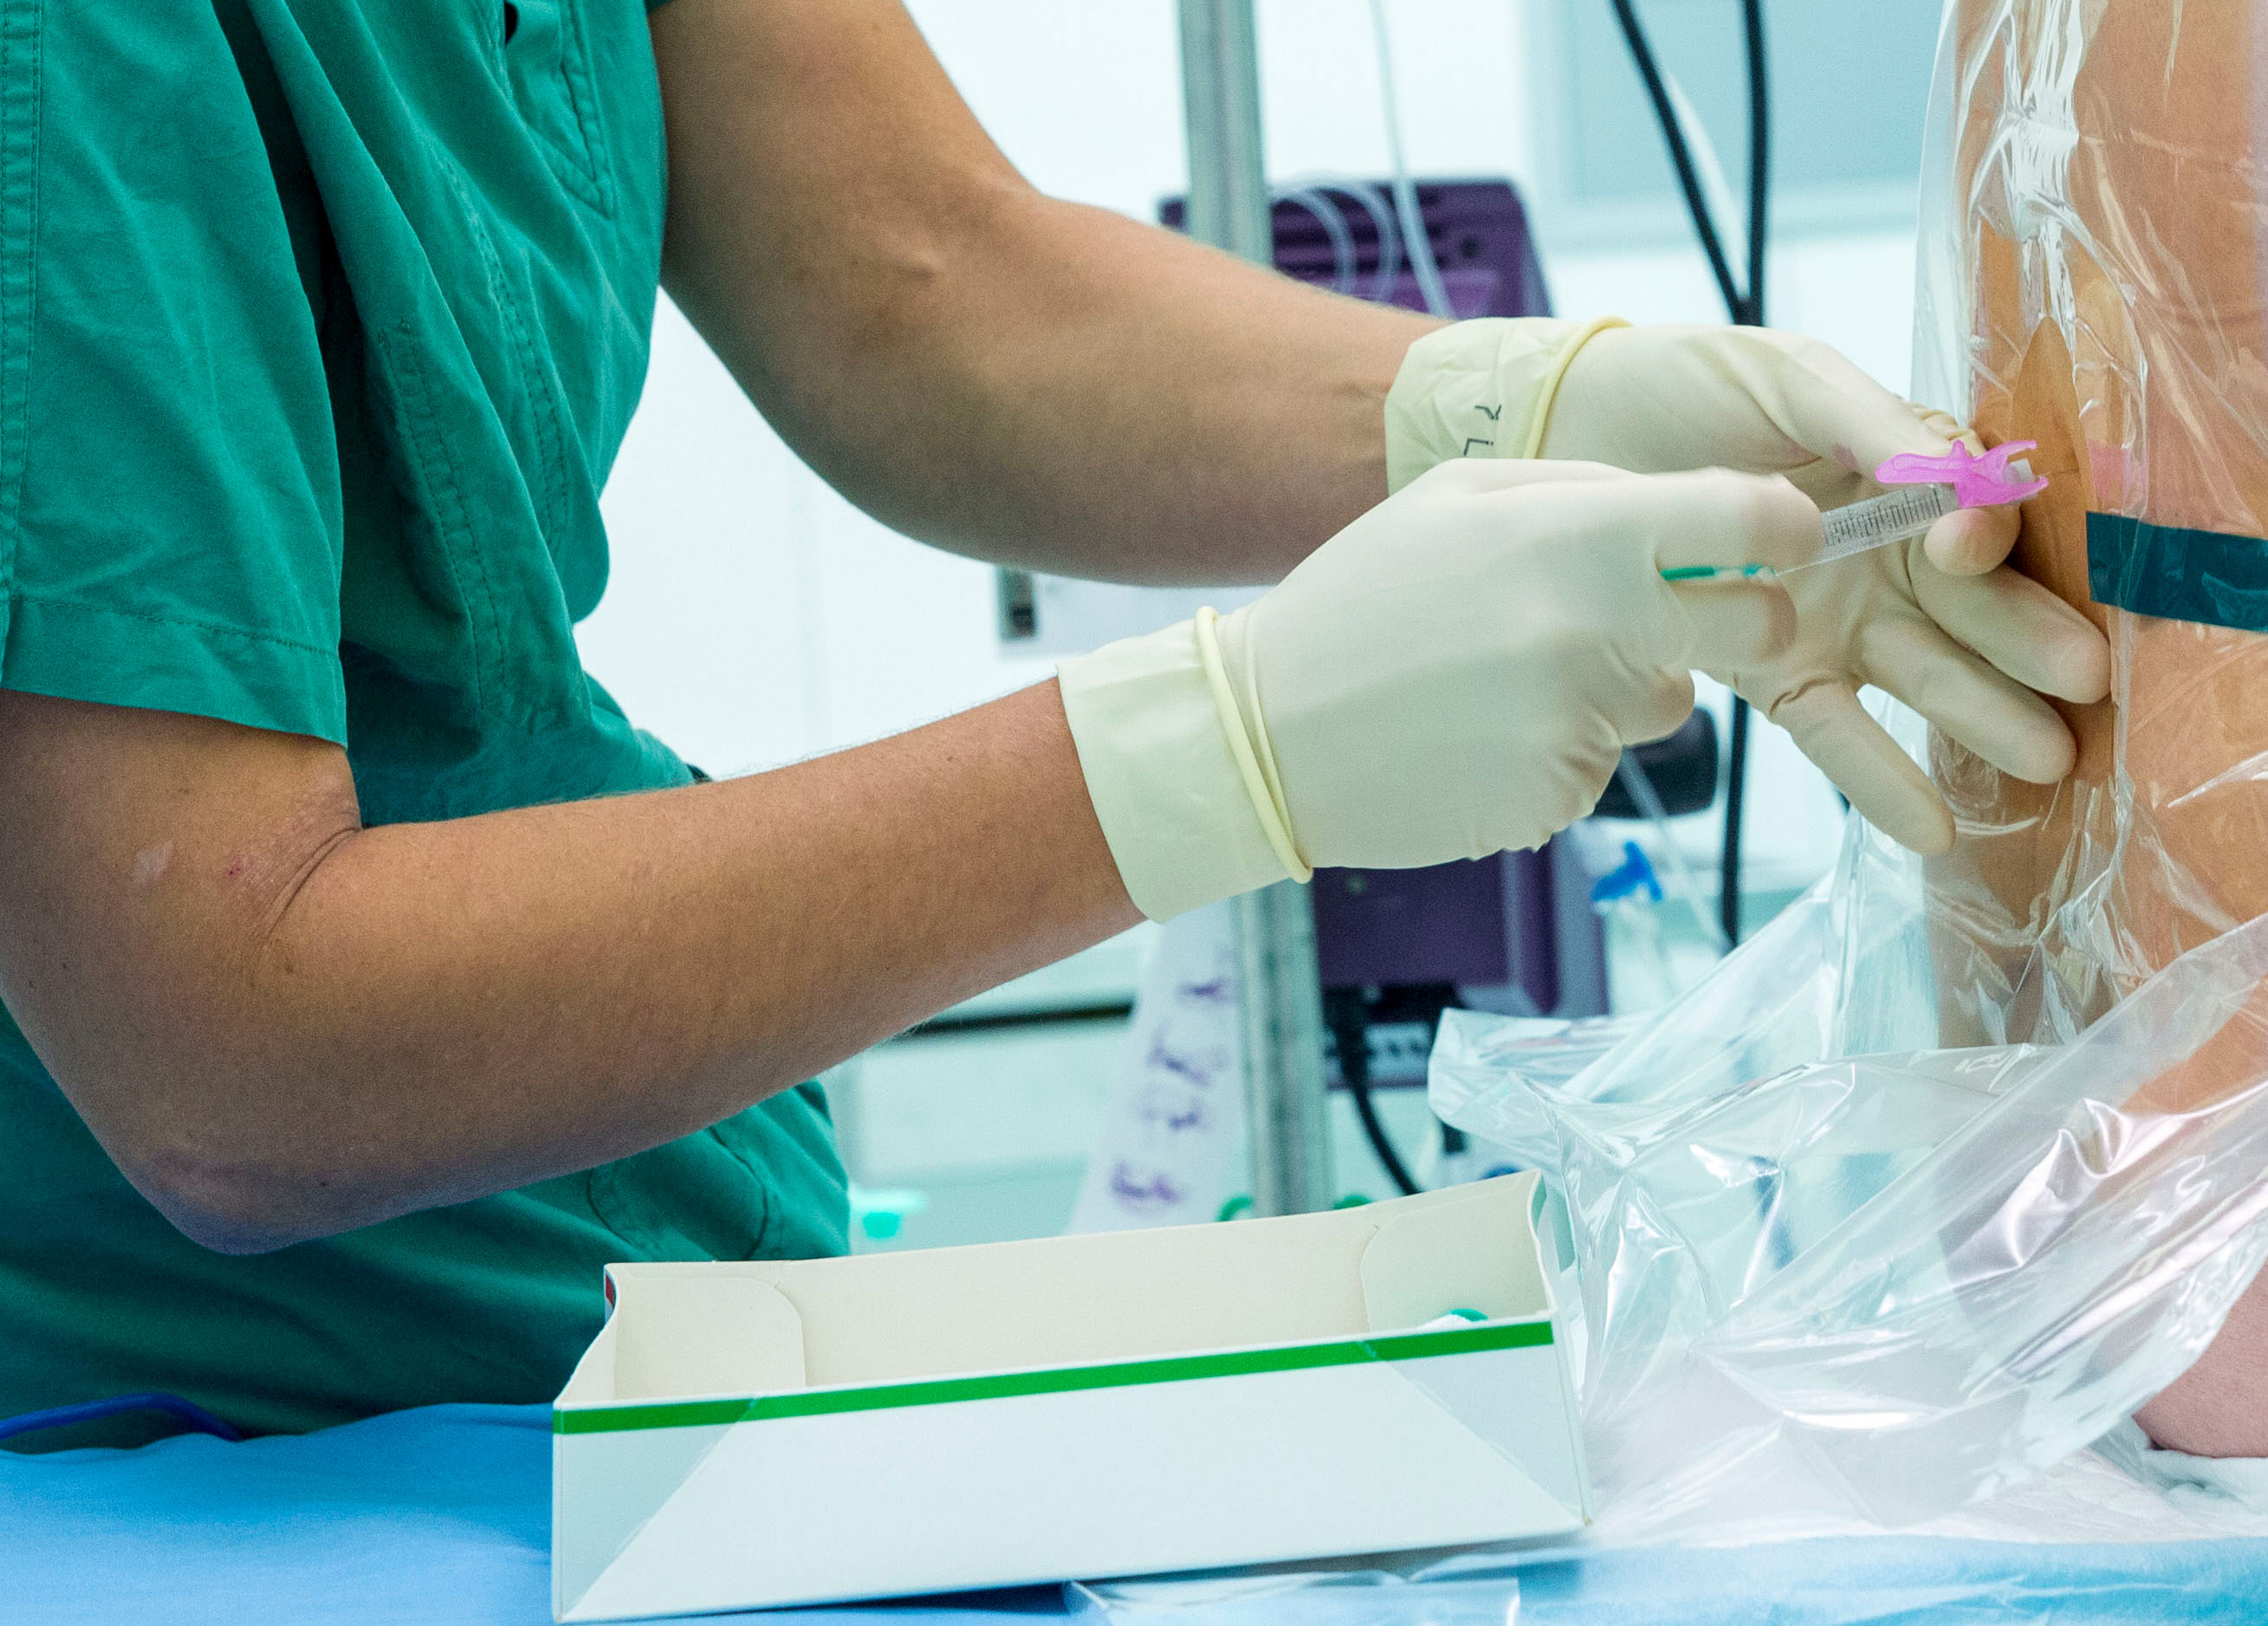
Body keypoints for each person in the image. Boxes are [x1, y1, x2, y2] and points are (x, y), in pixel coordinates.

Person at [0, 0, 2106, 1448]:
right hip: (201, 1419)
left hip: (597, 1295)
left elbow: (917, 278)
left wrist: (1512, 407)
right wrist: (1226, 750)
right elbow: (224, 1048)